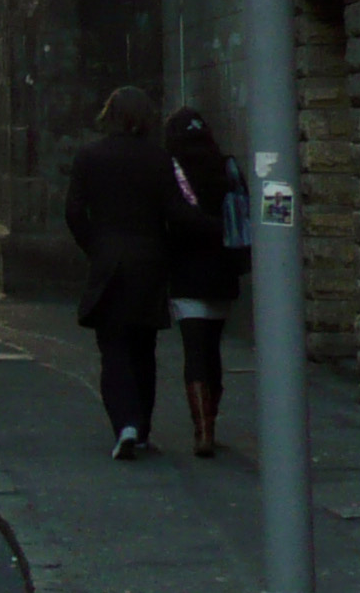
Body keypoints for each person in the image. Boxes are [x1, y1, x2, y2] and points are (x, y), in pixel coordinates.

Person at [66, 85, 214, 460]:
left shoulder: (88, 157)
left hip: (108, 262)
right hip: (149, 263)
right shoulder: (158, 158)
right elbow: (177, 213)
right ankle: (142, 429)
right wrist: (217, 228)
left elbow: (73, 213)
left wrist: (95, 248)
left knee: (112, 348)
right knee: (143, 348)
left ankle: (126, 424)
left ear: (109, 115)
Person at [165, 106, 250, 458]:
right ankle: (210, 420)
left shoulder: (172, 170)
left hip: (186, 271)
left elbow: (169, 216)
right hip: (223, 269)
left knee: (194, 350)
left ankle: (203, 429)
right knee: (213, 348)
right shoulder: (227, 166)